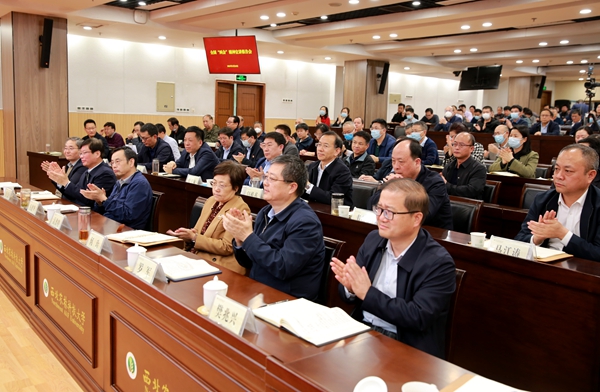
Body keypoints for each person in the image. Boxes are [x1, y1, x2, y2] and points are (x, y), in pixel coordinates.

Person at [331, 178, 455, 358]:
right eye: (379, 209)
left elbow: (417, 316)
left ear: (416, 218)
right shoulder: (374, 239)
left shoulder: (438, 262)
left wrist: (366, 293)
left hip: (406, 344)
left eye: (389, 212)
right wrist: (350, 288)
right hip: (363, 330)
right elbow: (348, 295)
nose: (381, 217)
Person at [224, 154, 326, 300]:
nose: (265, 183)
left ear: (292, 187)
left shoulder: (306, 223)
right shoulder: (265, 212)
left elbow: (282, 267)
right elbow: (248, 262)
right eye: (265, 177)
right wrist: (240, 239)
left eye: (272, 179)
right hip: (258, 290)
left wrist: (247, 236)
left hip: (287, 300)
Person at [515, 144, 600, 261]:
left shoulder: (597, 203)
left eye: (568, 171)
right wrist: (537, 238)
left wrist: (563, 234)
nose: (558, 176)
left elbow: (598, 253)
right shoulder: (543, 199)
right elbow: (519, 240)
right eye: (556, 169)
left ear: (590, 175)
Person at [168, 161, 250, 275]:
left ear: (236, 188)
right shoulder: (211, 200)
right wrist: (188, 235)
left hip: (219, 263)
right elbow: (198, 231)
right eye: (214, 183)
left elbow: (227, 247)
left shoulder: (240, 208)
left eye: (222, 185)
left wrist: (194, 238)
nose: (216, 188)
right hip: (198, 256)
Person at [368, 138, 453, 230]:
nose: (396, 167)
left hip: (432, 234)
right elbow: (371, 206)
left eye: (401, 162)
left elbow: (424, 215)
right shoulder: (394, 176)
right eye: (393, 161)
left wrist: (402, 188)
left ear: (417, 162)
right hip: (398, 229)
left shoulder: (435, 182)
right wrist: (386, 188)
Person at [80, 147, 153, 230]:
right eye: (112, 162)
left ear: (131, 162)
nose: (114, 166)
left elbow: (129, 216)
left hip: (126, 230)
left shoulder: (139, 183)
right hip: (111, 225)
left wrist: (104, 199)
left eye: (117, 161)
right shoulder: (119, 182)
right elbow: (109, 209)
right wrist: (99, 201)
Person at [46, 138, 116, 207]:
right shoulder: (87, 171)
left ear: (97, 154)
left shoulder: (105, 173)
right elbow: (75, 194)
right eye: (81, 153)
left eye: (84, 153)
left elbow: (88, 200)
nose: (81, 156)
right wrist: (60, 181)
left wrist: (66, 182)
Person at [304, 131, 354, 207]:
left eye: (325, 146)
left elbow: (333, 198)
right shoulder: (313, 166)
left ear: (337, 151)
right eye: (319, 145)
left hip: (336, 214)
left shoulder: (343, 171)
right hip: (314, 210)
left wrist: (308, 186)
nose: (320, 149)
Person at [441, 132, 486, 199]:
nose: (456, 147)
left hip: (466, 206)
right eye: (455, 144)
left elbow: (471, 191)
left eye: (461, 145)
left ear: (471, 149)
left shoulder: (479, 168)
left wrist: (446, 185)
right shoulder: (449, 166)